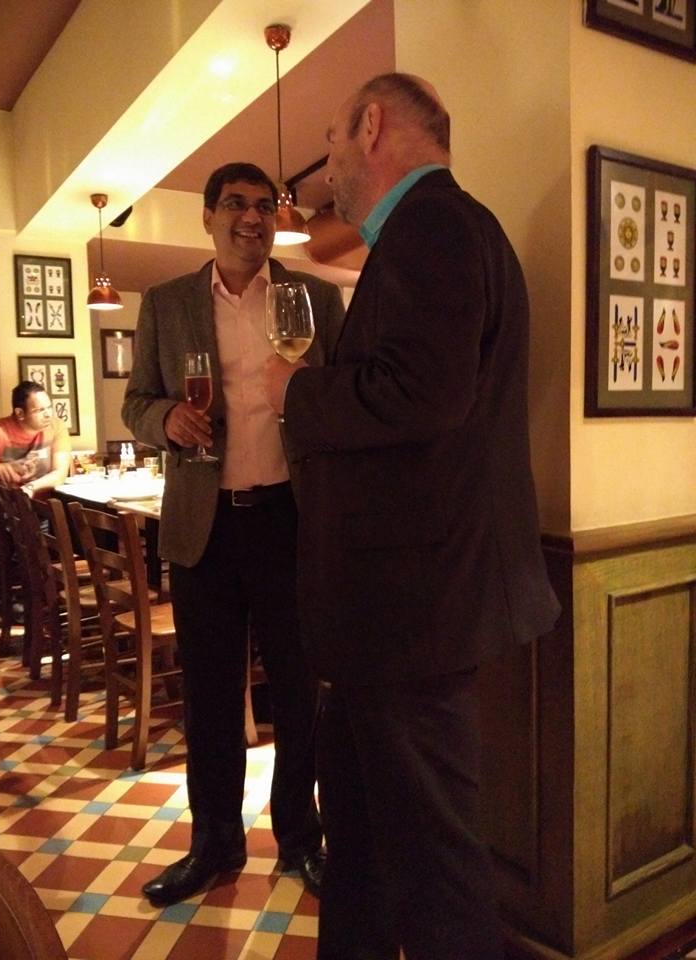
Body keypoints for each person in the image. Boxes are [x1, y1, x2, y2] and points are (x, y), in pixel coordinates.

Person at [265, 74, 561, 960]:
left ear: (372, 125)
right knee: (359, 843)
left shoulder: (433, 225)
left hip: (410, 612)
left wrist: (297, 394)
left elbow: (422, 394)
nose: (327, 171)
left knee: (436, 878)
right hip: (399, 612)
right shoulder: (442, 230)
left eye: (330, 142)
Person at [122, 162, 345, 906]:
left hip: (291, 519)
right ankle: (213, 843)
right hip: (205, 527)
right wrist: (166, 419)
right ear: (208, 217)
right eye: (235, 205)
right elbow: (135, 401)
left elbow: (341, 394)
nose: (252, 218)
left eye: (264, 206)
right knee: (210, 696)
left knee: (299, 691)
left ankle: (301, 838)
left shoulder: (312, 298)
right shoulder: (167, 303)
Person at [0, 380, 71, 497]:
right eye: (40, 410)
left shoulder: (56, 427)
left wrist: (29, 488)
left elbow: (60, 473)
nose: (48, 415)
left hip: (44, 504)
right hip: (0, 504)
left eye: (49, 407)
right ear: (20, 413)